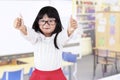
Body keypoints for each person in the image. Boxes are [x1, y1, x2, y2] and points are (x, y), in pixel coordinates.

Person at [14, 6, 78, 80]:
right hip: (38, 76)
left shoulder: (58, 38)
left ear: (56, 22)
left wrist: (71, 29)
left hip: (56, 75)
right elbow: (28, 33)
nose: (46, 24)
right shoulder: (36, 37)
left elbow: (66, 35)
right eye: (42, 21)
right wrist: (22, 27)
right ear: (38, 22)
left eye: (50, 21)